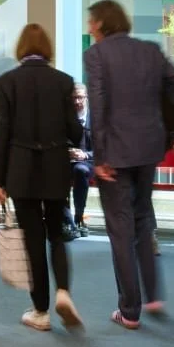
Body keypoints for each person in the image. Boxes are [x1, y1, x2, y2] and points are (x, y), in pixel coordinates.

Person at [84, 0, 174, 330]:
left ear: (102, 23)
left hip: (115, 154)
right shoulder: (150, 50)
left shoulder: (97, 55)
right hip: (148, 148)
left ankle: (129, 310)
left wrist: (99, 157)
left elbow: (99, 104)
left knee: (120, 229)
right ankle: (153, 296)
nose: (89, 27)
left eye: (91, 21)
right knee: (143, 219)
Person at [0, 23, 85, 332]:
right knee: (56, 233)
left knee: (33, 239)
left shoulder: (6, 82)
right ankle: (64, 293)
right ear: (47, 48)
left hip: (21, 168)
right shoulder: (63, 82)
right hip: (56, 165)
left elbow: (2, 134)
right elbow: (75, 131)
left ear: (21, 48)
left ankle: (41, 312)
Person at [62, 83, 95, 240]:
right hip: (66, 161)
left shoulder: (95, 119)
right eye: (74, 98)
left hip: (89, 162)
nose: (76, 102)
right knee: (55, 172)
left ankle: (79, 217)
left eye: (80, 97)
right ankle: (67, 221)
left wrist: (85, 155)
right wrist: (67, 152)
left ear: (86, 98)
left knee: (80, 170)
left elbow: (104, 148)